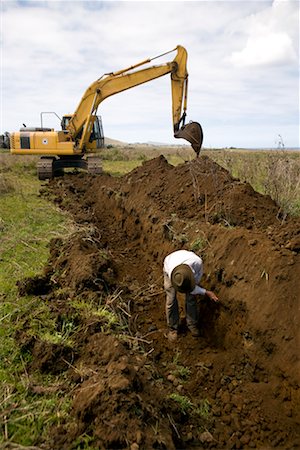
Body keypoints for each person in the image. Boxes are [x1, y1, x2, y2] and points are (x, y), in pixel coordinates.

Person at [163, 249, 219, 342]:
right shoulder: (172, 273)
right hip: (170, 265)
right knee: (171, 299)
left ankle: (192, 324)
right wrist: (206, 292)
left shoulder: (197, 263)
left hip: (186, 265)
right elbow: (180, 283)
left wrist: (204, 291)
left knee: (191, 297)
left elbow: (193, 288)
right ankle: (173, 328)